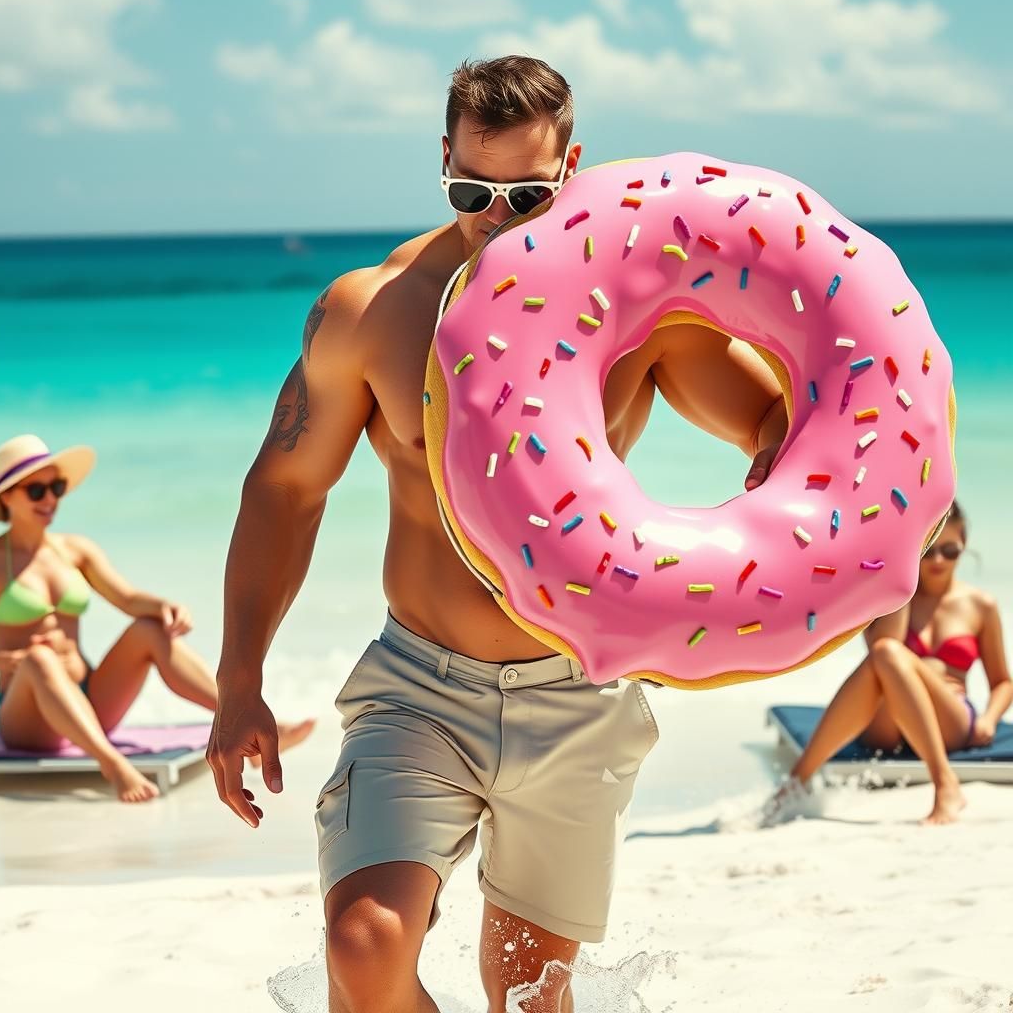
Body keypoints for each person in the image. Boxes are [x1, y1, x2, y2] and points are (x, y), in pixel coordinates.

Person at [208, 56, 789, 1012]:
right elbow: (285, 492)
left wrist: (777, 488)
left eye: (527, 195)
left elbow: (766, 419)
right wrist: (239, 679)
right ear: (443, 159)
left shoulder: (639, 303)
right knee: (363, 949)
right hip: (419, 687)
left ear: (572, 168)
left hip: (575, 690)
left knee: (524, 990)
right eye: (471, 192)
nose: (498, 218)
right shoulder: (373, 308)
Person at [0, 434, 314, 803]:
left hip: (89, 700)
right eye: (36, 490)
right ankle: (113, 765)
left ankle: (243, 716)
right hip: (28, 721)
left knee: (150, 630)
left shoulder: (74, 550)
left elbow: (128, 599)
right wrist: (7, 660)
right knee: (39, 658)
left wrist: (163, 606)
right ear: (7, 497)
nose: (49, 499)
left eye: (56, 487)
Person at [765, 500, 1011, 827]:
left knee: (889, 652)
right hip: (889, 720)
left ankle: (945, 784)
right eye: (929, 551)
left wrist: (990, 720)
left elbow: (1003, 681)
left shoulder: (980, 605)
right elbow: (882, 648)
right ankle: (799, 781)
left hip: (949, 716)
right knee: (886, 652)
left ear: (964, 544)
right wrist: (902, 574)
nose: (939, 560)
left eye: (950, 551)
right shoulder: (889, 597)